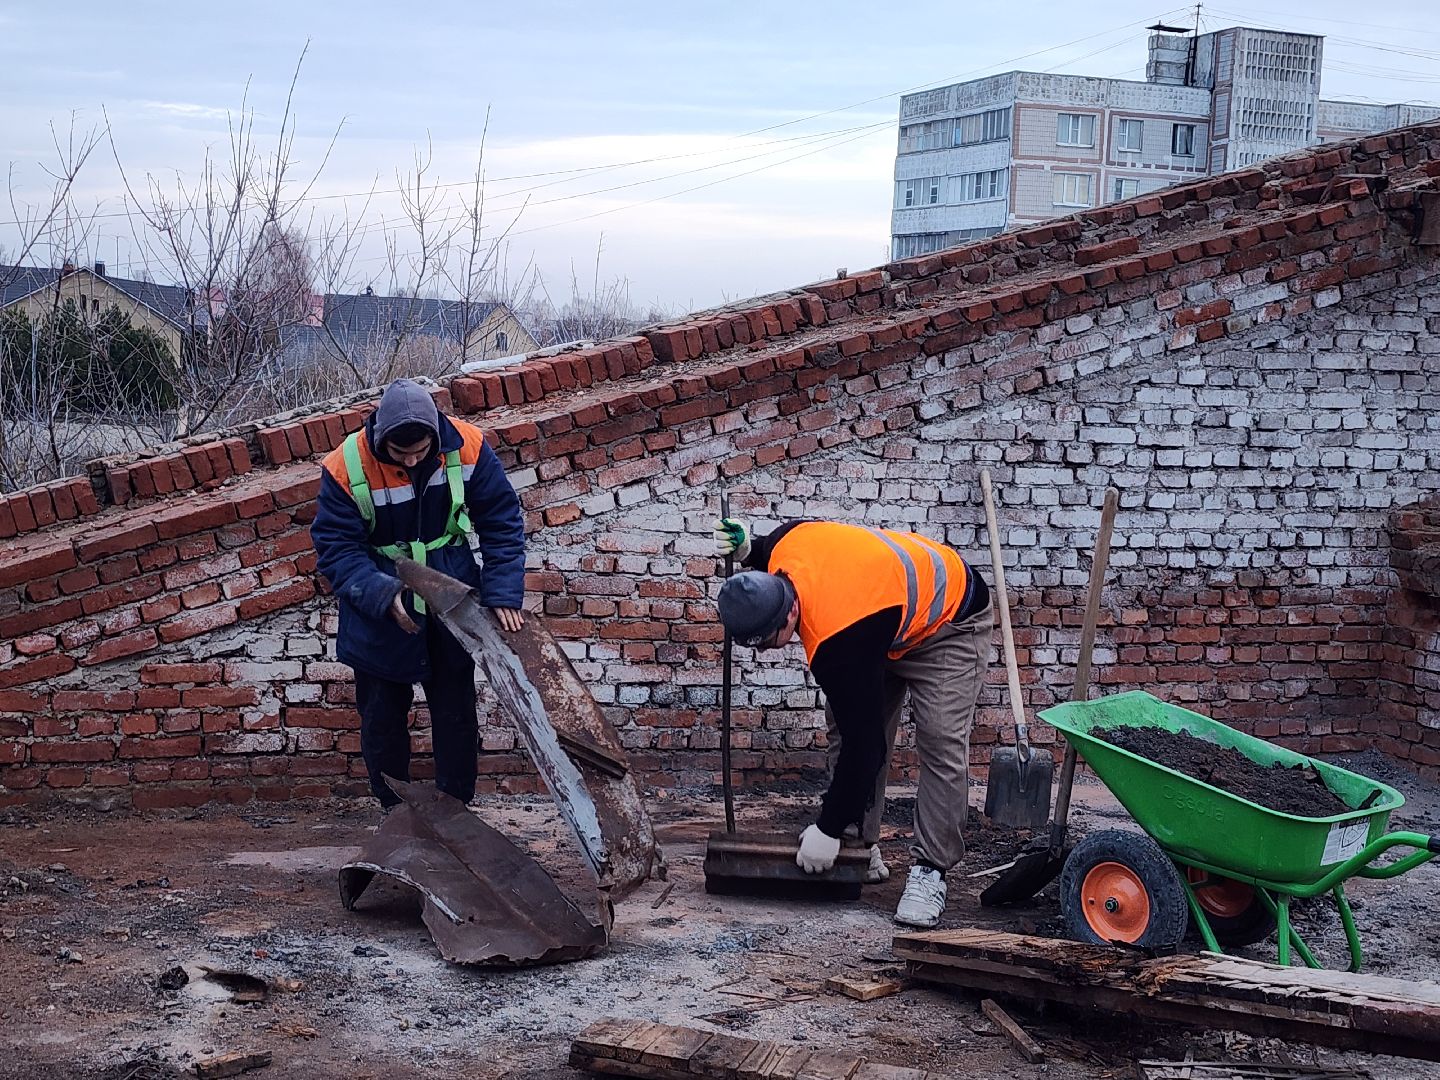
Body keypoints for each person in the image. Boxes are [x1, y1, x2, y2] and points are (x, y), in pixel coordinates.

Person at [711, 517, 992, 929]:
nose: (770, 650)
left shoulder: (837, 639)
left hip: (948, 618)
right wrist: (746, 550)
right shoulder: (788, 545)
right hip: (887, 619)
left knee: (939, 739)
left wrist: (824, 828)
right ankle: (858, 843)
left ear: (790, 610)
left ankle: (931, 870)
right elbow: (766, 548)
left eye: (773, 639)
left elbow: (867, 747)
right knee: (846, 725)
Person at [311, 378, 525, 810]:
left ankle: (455, 808)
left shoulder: (467, 446)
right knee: (382, 717)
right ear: (380, 438)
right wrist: (379, 595)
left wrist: (503, 591)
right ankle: (394, 812)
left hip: (451, 595)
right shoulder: (344, 465)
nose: (410, 459)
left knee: (456, 711)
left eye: (419, 451)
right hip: (378, 596)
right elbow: (336, 548)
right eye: (399, 453)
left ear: (435, 432)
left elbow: (502, 521)